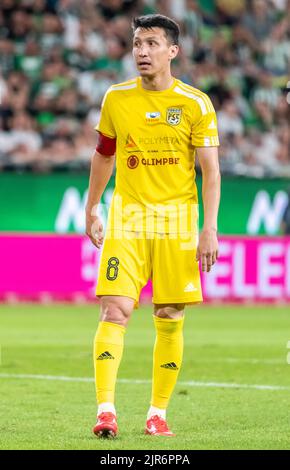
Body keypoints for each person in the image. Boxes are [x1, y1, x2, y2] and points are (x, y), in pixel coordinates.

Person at [85, 14, 220, 438]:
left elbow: (210, 172)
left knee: (169, 313)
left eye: (152, 44)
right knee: (115, 309)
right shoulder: (116, 98)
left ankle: (157, 414)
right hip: (127, 218)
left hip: (178, 222)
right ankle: (106, 411)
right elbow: (103, 154)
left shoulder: (195, 103)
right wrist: (92, 207)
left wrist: (209, 228)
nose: (142, 52)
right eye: (137, 43)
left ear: (172, 51)